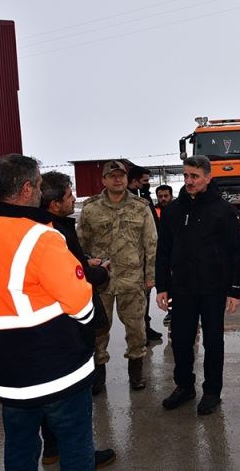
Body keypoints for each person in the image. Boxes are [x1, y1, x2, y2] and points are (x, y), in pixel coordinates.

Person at [0, 154, 98, 470]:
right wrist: (86, 328)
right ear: (28, 188)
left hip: (7, 375)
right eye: (41, 185)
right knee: (75, 446)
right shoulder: (40, 237)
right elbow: (81, 303)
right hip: (59, 373)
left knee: (19, 448)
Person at [155, 155, 240, 416]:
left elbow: (236, 253)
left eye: (194, 176)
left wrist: (234, 290)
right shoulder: (173, 210)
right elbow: (163, 250)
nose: (189, 181)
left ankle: (211, 392)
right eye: (185, 176)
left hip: (213, 288)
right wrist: (162, 285)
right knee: (181, 341)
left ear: (208, 177)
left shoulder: (224, 211)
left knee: (213, 342)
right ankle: (184, 387)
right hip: (182, 288)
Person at [38, 172, 116, 468]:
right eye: (70, 196)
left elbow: (69, 266)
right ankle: (80, 456)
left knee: (48, 399)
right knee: (73, 401)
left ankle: (52, 449)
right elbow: (72, 280)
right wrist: (100, 272)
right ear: (55, 203)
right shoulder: (54, 232)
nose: (74, 199)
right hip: (70, 326)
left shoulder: (43, 227)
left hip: (47, 329)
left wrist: (85, 262)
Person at [78, 160, 158, 393]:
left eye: (121, 176)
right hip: (101, 280)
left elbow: (151, 244)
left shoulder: (140, 207)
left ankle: (136, 373)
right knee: (98, 331)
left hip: (131, 280)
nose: (117, 179)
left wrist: (150, 277)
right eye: (112, 176)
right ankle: (98, 376)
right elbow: (80, 244)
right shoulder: (91, 208)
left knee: (136, 329)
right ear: (103, 180)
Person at [127, 165, 163, 343]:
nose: (148, 184)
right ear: (134, 181)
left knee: (146, 294)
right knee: (138, 297)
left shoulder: (145, 196)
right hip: (135, 257)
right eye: (145, 181)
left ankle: (145, 328)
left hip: (150, 253)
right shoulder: (129, 201)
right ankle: (139, 333)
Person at [155, 184, 174, 325]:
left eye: (165, 196)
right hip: (159, 251)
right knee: (165, 283)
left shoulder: (177, 210)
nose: (163, 199)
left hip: (174, 251)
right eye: (160, 196)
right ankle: (171, 312)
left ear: (171, 196)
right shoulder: (153, 211)